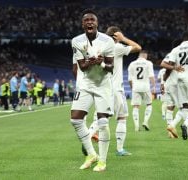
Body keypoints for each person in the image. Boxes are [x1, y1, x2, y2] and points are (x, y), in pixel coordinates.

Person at [70, 9, 115, 172]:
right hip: (85, 84)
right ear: (83, 24)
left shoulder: (108, 41)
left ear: (97, 23)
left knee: (103, 122)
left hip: (103, 84)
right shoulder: (76, 40)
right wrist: (92, 61)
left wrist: (101, 63)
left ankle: (102, 161)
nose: (89, 22)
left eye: (92, 20)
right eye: (86, 20)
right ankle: (91, 154)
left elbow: (111, 67)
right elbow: (81, 66)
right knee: (75, 119)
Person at [87, 26, 142, 156]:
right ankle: (120, 149)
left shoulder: (99, 48)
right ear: (116, 36)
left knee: (100, 117)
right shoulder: (116, 47)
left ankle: (87, 139)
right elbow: (138, 48)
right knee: (122, 118)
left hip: (102, 88)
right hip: (116, 88)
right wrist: (124, 39)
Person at [161, 31, 188, 140]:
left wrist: (165, 79)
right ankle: (186, 124)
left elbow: (170, 64)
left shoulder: (175, 50)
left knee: (183, 107)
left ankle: (172, 125)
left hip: (179, 80)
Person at [128, 50, 156, 131]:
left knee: (136, 106)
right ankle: (145, 121)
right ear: (145, 55)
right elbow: (151, 76)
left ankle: (136, 126)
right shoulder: (148, 63)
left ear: (139, 56)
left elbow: (129, 79)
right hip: (145, 87)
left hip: (136, 87)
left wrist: (132, 87)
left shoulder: (132, 64)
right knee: (149, 104)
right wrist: (154, 86)